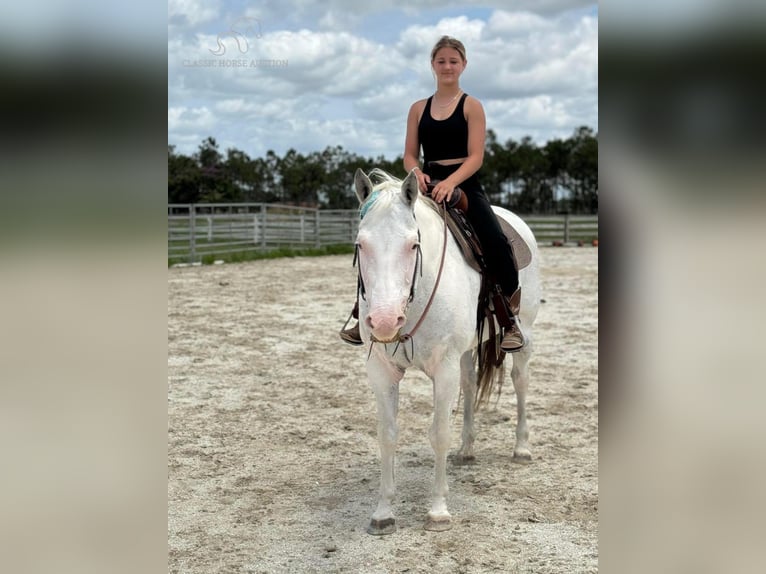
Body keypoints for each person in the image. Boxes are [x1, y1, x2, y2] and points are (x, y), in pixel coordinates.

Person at [340, 35, 526, 352]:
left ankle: (510, 320)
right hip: (424, 183)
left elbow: (476, 157)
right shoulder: (417, 109)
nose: (447, 66)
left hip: (464, 184)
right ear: (432, 65)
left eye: (453, 61)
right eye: (441, 61)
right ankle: (362, 313)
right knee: (385, 239)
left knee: (494, 240)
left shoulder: (472, 106)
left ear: (463, 65)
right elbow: (410, 155)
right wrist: (418, 174)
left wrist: (452, 182)